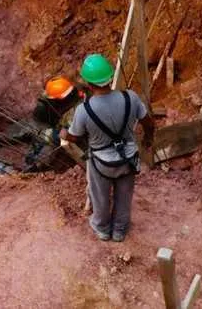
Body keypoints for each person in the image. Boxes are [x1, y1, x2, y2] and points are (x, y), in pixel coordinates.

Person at [62, 54, 155, 242]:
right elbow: (148, 122)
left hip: (101, 163)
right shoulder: (131, 98)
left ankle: (102, 228)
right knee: (124, 196)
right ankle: (120, 230)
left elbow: (73, 137)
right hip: (128, 159)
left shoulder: (84, 110)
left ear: (88, 83)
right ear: (110, 77)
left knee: (100, 197)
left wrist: (63, 134)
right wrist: (147, 140)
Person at [18, 76, 85, 172]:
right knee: (32, 133)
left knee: (49, 142)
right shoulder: (53, 97)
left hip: (67, 131)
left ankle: (34, 166)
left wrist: (51, 133)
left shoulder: (77, 107)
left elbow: (68, 134)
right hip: (54, 125)